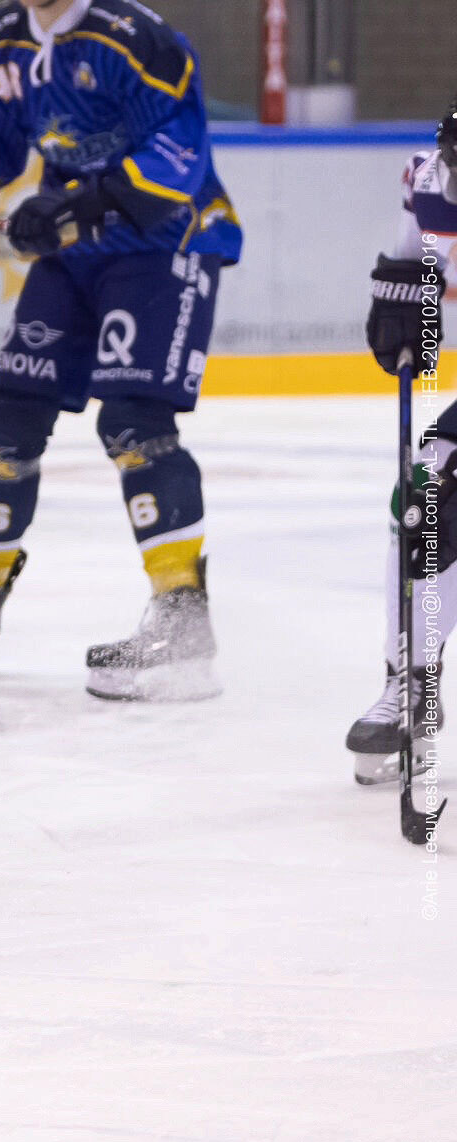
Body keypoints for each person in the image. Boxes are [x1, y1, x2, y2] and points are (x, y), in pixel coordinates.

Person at [0, 0, 241, 701]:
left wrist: (74, 206)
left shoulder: (136, 38)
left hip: (166, 242)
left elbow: (177, 159)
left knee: (133, 421)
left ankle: (184, 622)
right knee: (9, 416)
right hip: (72, 253)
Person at [346, 94, 455, 783]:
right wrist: (401, 305)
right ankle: (412, 682)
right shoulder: (429, 178)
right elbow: (415, 263)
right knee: (421, 499)